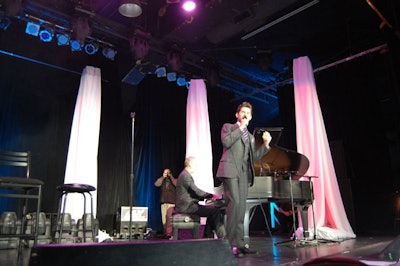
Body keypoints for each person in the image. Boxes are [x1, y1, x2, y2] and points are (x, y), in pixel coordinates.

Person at [216, 101, 272, 257]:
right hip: (229, 170)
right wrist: (241, 127)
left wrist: (266, 145)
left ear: (251, 117)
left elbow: (254, 157)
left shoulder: (251, 138)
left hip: (243, 173)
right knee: (233, 204)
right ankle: (230, 244)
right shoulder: (228, 127)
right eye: (243, 112)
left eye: (248, 113)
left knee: (240, 208)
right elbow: (226, 142)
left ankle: (240, 244)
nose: (245, 114)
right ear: (237, 115)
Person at [175, 157, 226, 239]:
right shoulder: (185, 176)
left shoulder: (184, 174)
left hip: (187, 205)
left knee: (211, 210)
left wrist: (206, 198)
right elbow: (196, 191)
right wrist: (212, 195)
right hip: (186, 207)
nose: (197, 166)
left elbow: (193, 193)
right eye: (195, 164)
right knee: (214, 210)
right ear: (190, 164)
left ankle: (207, 235)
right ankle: (222, 236)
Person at [154, 168, 177, 238]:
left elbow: (176, 184)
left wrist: (171, 176)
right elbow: (156, 184)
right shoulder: (162, 180)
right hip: (163, 202)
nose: (166, 174)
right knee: (164, 219)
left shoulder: (174, 180)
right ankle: (166, 234)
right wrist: (162, 177)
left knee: (169, 219)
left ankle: (170, 234)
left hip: (171, 202)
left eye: (167, 173)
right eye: (165, 173)